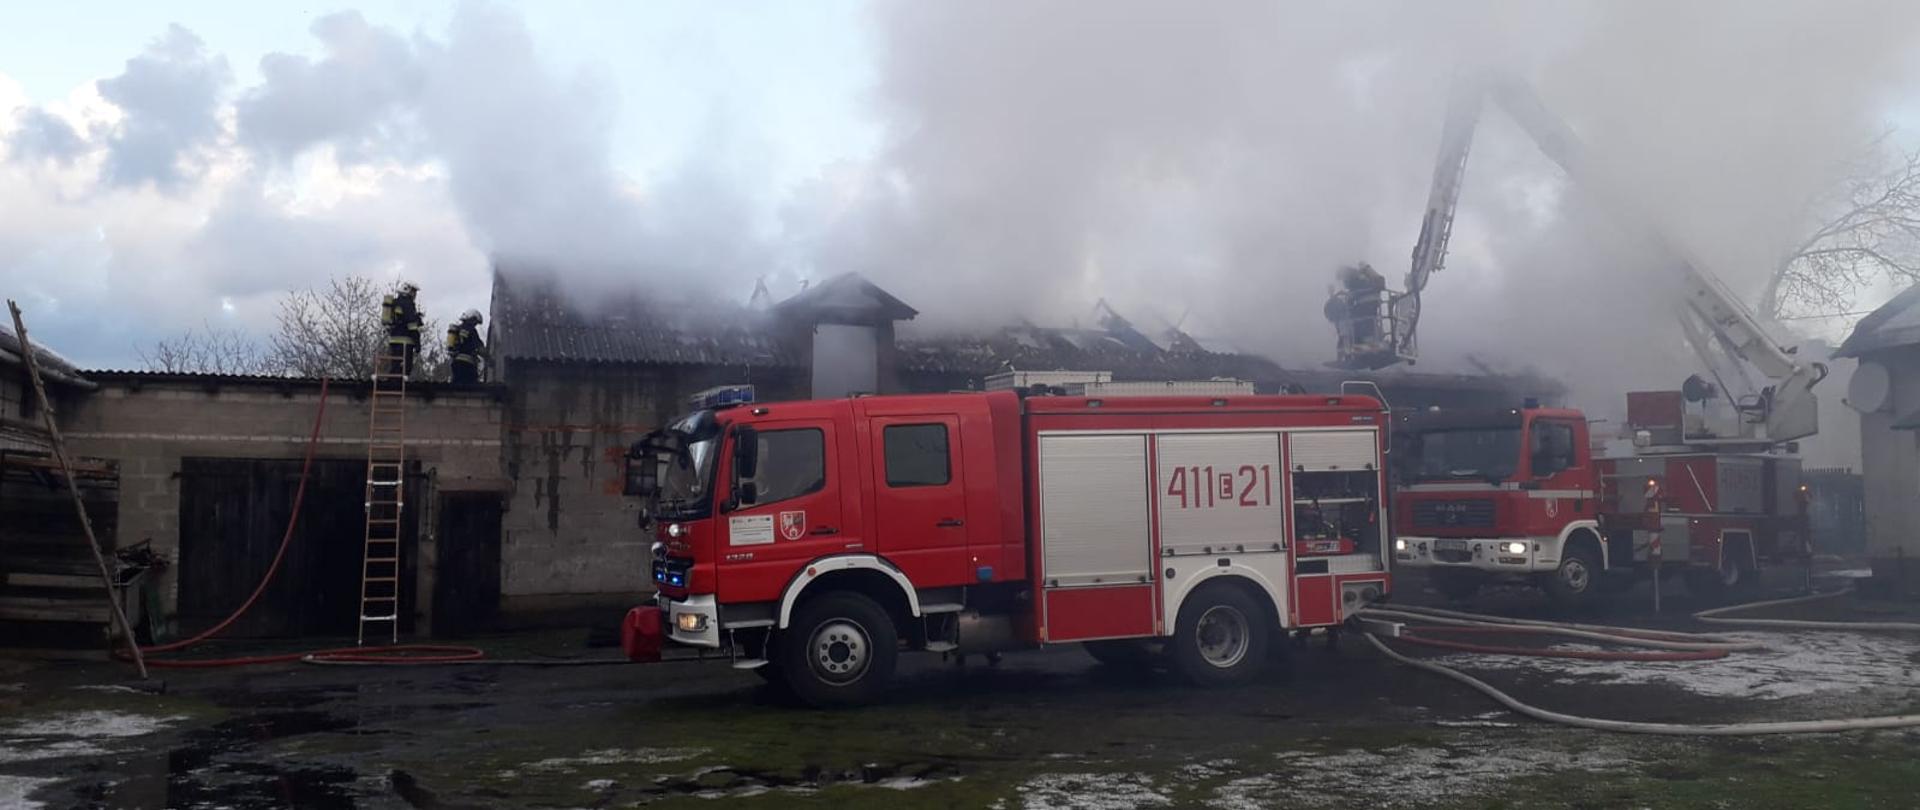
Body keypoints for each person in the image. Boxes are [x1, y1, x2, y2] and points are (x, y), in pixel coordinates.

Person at [381, 282, 424, 376]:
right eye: (414, 292)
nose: (415, 295)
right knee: (404, 369)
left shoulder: (396, 302)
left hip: (394, 340)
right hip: (405, 343)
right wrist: (417, 343)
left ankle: (392, 385)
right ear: (408, 291)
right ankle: (395, 386)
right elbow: (411, 325)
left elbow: (400, 319)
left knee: (396, 366)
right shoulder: (407, 303)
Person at [446, 309, 487, 384]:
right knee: (472, 387)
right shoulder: (471, 330)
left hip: (455, 364)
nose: (475, 325)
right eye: (475, 322)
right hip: (467, 365)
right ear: (472, 319)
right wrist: (490, 358)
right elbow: (479, 348)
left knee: (457, 385)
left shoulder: (458, 329)